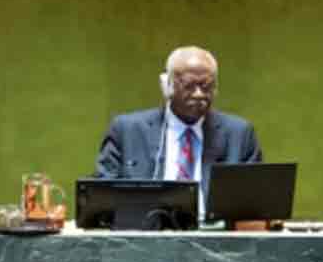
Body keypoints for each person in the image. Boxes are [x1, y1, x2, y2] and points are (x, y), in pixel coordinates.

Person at [94, 46, 263, 209]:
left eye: (206, 86)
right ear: (167, 86)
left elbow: (255, 200)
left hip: (217, 235)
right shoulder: (127, 130)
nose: (199, 94)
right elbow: (102, 196)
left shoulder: (239, 134)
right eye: (189, 85)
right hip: (148, 233)